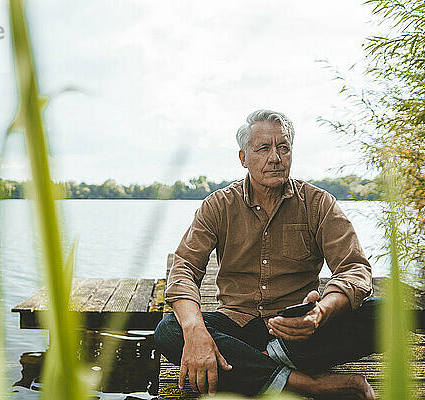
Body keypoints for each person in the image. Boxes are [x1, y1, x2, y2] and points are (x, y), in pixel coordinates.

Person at [154, 109, 378, 399]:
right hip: (236, 325)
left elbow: (355, 270)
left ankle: (253, 365)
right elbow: (184, 269)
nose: (275, 157)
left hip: (299, 332)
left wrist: (321, 312)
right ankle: (308, 385)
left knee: (383, 313)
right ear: (243, 158)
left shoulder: (319, 203)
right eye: (263, 149)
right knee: (170, 330)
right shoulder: (218, 205)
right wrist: (195, 328)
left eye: (283, 147)